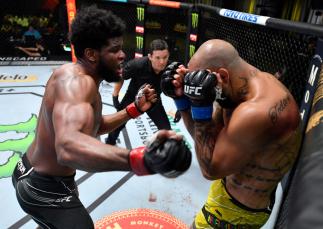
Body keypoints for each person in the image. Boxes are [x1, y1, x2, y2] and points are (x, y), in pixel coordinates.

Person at [11, 6, 191, 229]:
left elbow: (93, 127)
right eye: (114, 50)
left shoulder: (78, 77)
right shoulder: (78, 83)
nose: (123, 55)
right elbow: (68, 148)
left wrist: (132, 110)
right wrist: (143, 159)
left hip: (32, 171)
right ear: (91, 54)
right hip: (43, 187)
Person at [161, 39, 301, 228]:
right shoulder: (240, 86)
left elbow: (209, 169)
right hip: (230, 188)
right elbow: (207, 143)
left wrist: (200, 108)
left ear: (222, 76)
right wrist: (182, 101)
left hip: (236, 212)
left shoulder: (255, 112)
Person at [105, 39, 172, 145]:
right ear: (150, 57)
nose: (162, 62)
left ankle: (166, 153)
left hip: (153, 99)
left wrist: (181, 107)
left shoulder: (170, 68)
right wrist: (115, 96)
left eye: (165, 57)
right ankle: (109, 143)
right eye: (158, 58)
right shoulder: (137, 65)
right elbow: (121, 76)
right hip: (133, 97)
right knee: (118, 124)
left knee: (167, 130)